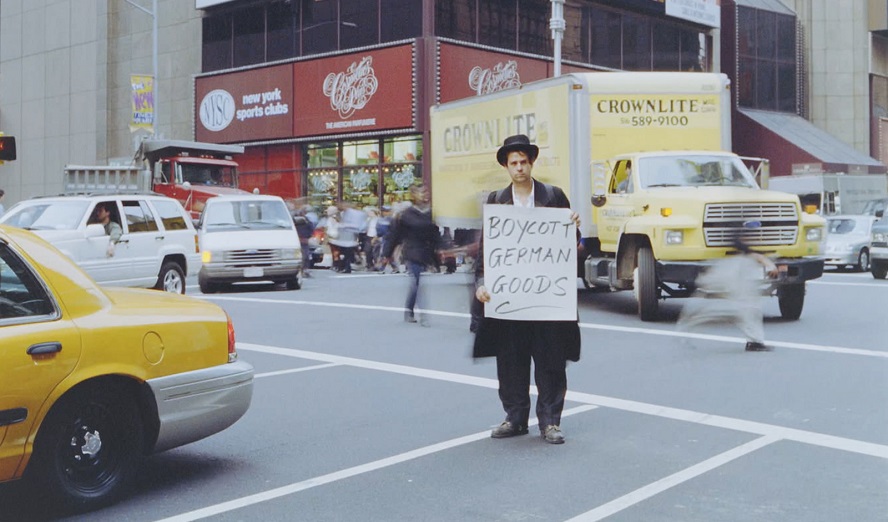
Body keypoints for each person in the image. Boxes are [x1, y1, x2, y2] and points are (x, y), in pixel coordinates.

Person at [473, 134, 582, 445]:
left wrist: (573, 226)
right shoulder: (496, 201)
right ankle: (516, 418)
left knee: (550, 361)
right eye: (513, 163)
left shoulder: (553, 196)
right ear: (506, 167)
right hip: (509, 298)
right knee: (510, 361)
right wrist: (481, 283)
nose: (519, 168)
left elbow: (571, 244)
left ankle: (550, 422)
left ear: (532, 163)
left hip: (547, 297)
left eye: (523, 162)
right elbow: (486, 251)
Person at [677, 237, 779, 352]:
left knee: (746, 306)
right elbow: (744, 247)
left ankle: (688, 323)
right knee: (747, 307)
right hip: (735, 266)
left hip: (727, 265)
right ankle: (755, 341)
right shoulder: (741, 227)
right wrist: (768, 262)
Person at [382, 185, 442, 325]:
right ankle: (422, 315)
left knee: (417, 281)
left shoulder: (431, 213)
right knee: (416, 282)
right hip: (411, 250)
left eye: (426, 192)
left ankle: (409, 309)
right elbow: (395, 235)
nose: (425, 195)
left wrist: (442, 249)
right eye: (421, 192)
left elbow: (435, 234)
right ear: (414, 195)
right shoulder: (406, 214)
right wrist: (387, 254)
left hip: (426, 251)